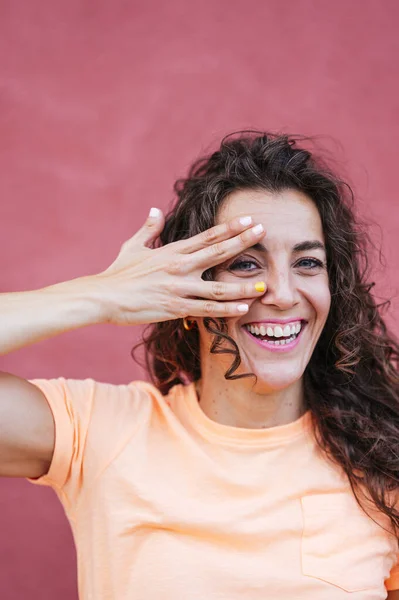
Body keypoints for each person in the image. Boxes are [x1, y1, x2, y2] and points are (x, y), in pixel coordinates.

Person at [1, 131, 399, 600]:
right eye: (246, 265)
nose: (285, 293)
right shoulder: (99, 432)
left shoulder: (381, 470)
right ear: (187, 294)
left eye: (308, 262)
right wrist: (103, 295)